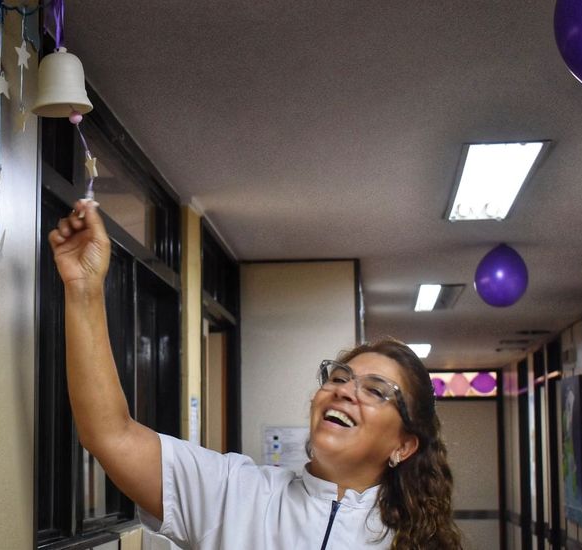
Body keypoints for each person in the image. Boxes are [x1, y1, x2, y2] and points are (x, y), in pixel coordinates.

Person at [49, 200, 462, 550]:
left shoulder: (410, 541)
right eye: (338, 378)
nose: (344, 392)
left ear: (404, 446)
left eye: (375, 391)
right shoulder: (233, 493)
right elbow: (110, 434)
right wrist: (84, 290)